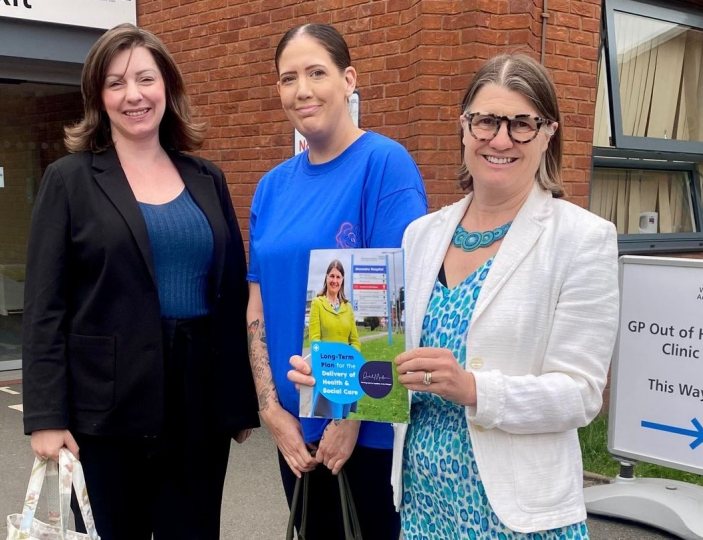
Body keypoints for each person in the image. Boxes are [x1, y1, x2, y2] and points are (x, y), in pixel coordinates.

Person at [290, 53, 619, 538]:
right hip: (424, 508)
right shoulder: (420, 236)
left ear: (548, 133)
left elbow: (581, 394)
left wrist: (473, 389)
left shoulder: (582, 239)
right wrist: (335, 378)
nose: (500, 139)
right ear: (465, 129)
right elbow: (389, 365)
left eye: (521, 124)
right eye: (485, 121)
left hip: (519, 518)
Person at [21, 23, 258, 540]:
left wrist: (237, 400)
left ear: (167, 87)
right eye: (115, 83)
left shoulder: (206, 177)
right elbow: (45, 306)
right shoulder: (69, 179)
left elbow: (230, 291)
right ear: (98, 98)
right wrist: (45, 416)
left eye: (145, 79)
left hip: (198, 403)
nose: (134, 96)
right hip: (103, 409)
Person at [246, 23, 428, 540]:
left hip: (363, 432)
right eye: (287, 78)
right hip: (293, 428)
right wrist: (270, 408)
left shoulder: (384, 165)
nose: (301, 90)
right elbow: (256, 302)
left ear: (349, 80)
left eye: (316, 72)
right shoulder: (271, 187)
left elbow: (393, 300)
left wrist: (348, 419)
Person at [308, 259, 360, 419]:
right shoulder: (317, 303)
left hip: (345, 371)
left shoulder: (348, 307)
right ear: (326, 277)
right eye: (332, 276)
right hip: (326, 369)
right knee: (323, 418)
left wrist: (350, 360)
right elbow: (315, 339)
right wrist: (327, 362)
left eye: (338, 277)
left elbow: (355, 341)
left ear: (342, 280)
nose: (334, 281)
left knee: (341, 421)